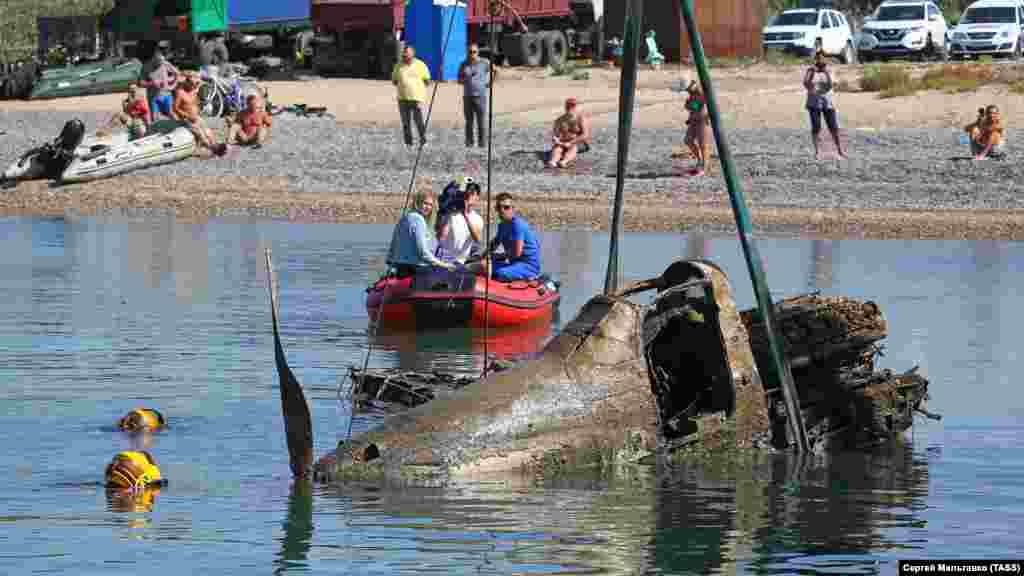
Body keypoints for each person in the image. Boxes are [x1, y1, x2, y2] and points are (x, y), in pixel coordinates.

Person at [387, 190, 456, 275]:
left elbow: (392, 249)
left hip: (400, 268)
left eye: (430, 205)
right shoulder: (418, 219)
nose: (428, 207)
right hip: (413, 269)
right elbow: (423, 252)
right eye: (425, 203)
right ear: (418, 203)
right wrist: (444, 265)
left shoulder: (405, 217)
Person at [481, 192, 541, 282]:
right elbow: (495, 243)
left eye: (506, 207)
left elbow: (517, 252)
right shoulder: (501, 225)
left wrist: (499, 256)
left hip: (527, 266)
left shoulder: (518, 225)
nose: (502, 210)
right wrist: (484, 256)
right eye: (499, 207)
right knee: (482, 266)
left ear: (513, 209)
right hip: (514, 264)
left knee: (500, 273)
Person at [803, 50, 847, 160]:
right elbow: (806, 84)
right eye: (818, 58)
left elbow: (830, 85)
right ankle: (817, 152)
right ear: (816, 59)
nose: (820, 60)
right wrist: (813, 72)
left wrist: (826, 72)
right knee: (816, 128)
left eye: (822, 58)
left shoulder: (830, 70)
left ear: (826, 59)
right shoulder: (810, 70)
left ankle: (840, 150)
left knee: (834, 128)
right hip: (813, 103)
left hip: (827, 103)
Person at [173, 71, 227, 157]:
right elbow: (175, 108)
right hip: (187, 119)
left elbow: (195, 102)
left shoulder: (194, 91)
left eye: (195, 84)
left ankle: (215, 145)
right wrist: (186, 116)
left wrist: (198, 108)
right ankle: (213, 148)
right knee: (201, 133)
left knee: (208, 131)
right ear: (187, 83)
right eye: (192, 84)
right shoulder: (180, 93)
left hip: (196, 117)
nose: (194, 86)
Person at [391, 45, 431, 148]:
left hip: (416, 99)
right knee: (405, 123)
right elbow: (394, 81)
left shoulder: (421, 65)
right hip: (402, 98)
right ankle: (408, 143)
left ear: (413, 54)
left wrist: (418, 91)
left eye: (407, 53)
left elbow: (427, 81)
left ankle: (423, 141)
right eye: (404, 53)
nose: (405, 55)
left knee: (419, 121)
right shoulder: (398, 66)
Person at [437, 178, 485, 263]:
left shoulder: (478, 219)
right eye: (466, 194)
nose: (468, 196)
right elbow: (441, 237)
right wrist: (444, 212)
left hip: (461, 261)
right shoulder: (452, 214)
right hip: (445, 259)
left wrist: (465, 214)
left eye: (472, 193)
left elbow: (477, 238)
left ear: (477, 197)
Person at [458, 43, 493, 148]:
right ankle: (469, 143)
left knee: (481, 121)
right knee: (469, 122)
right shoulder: (463, 64)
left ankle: (482, 144)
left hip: (480, 96)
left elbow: (495, 71)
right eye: (470, 52)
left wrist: (490, 83)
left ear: (478, 52)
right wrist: (465, 79)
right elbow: (459, 79)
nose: (472, 54)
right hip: (468, 96)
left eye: (474, 52)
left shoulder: (484, 62)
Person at [546, 97, 592, 169]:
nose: (570, 108)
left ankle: (564, 161)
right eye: (568, 106)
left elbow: (585, 135)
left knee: (573, 147)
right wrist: (555, 139)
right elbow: (555, 134)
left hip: (579, 142)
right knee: (557, 148)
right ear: (565, 107)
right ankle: (553, 162)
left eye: (572, 106)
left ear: (576, 107)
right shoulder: (559, 120)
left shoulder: (581, 118)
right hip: (564, 141)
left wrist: (571, 142)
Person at [141, 47, 180, 122]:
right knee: (155, 117)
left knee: (172, 114)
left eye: (162, 61)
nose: (161, 64)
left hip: (166, 94)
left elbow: (177, 74)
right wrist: (151, 83)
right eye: (159, 62)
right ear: (154, 58)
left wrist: (171, 85)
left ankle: (177, 128)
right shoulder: (146, 67)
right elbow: (141, 83)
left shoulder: (165, 64)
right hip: (153, 97)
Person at [683, 80, 711, 176]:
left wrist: (693, 108)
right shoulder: (692, 93)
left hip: (702, 120)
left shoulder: (702, 92)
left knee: (703, 144)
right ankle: (699, 161)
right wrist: (688, 106)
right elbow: (691, 106)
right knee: (688, 140)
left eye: (687, 89)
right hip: (693, 120)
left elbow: (704, 109)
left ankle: (704, 166)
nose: (686, 91)